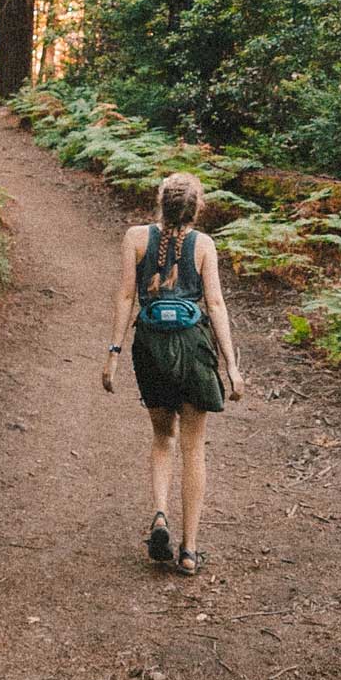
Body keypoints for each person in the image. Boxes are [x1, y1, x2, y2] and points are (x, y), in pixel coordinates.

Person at [102, 170, 243, 576]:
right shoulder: (204, 245)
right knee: (193, 449)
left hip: (150, 348)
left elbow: (127, 296)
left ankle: (160, 514)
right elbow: (214, 305)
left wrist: (113, 352)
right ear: (197, 208)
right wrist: (231, 365)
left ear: (160, 202)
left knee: (163, 436)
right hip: (193, 349)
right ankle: (189, 551)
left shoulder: (135, 238)